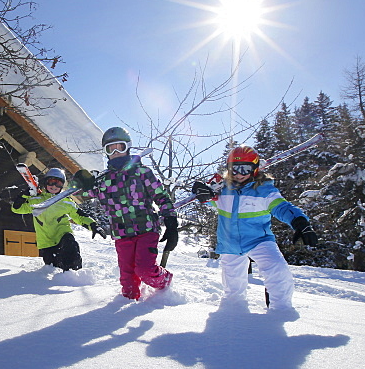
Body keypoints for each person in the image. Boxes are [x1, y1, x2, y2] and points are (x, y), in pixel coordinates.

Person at [193, 145, 318, 312]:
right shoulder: (221, 189)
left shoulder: (264, 190)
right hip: (230, 243)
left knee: (277, 270)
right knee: (233, 289)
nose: (239, 174)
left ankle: (281, 310)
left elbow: (282, 207)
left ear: (255, 169)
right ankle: (233, 315)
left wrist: (300, 222)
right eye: (234, 169)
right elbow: (208, 198)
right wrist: (202, 193)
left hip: (259, 240)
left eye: (245, 169)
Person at [75, 127, 178, 300]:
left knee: (144, 270)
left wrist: (171, 221)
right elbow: (82, 194)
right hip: (121, 234)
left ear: (128, 148)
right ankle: (128, 306)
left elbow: (161, 196)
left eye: (119, 147)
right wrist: (81, 181)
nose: (115, 152)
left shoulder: (142, 172)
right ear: (105, 152)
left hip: (146, 229)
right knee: (127, 280)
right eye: (110, 149)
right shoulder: (103, 181)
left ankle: (165, 281)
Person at [11, 167, 103, 271]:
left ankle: (75, 273)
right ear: (46, 183)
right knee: (53, 266)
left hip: (63, 235)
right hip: (46, 242)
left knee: (70, 245)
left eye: (58, 183)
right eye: (51, 182)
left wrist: (93, 225)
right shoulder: (36, 200)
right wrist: (24, 195)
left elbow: (80, 216)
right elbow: (17, 209)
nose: (54, 186)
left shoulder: (66, 202)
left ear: (62, 185)